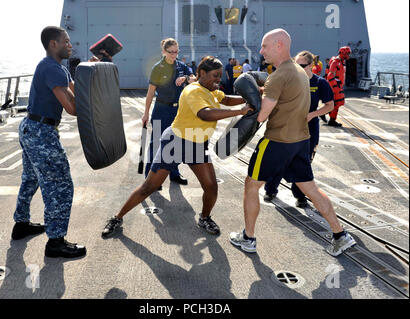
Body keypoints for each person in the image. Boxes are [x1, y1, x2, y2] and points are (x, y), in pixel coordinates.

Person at [229, 29, 356, 257]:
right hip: (301, 141)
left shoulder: (277, 76)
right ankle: (340, 235)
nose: (261, 51)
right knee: (311, 189)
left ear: (279, 45)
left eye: (265, 46)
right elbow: (285, 97)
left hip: (277, 141)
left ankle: (248, 238)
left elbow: (261, 116)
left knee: (251, 186)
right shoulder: (299, 71)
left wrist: (246, 108)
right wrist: (264, 91)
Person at [102, 56, 252, 238]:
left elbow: (226, 99)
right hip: (176, 141)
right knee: (149, 187)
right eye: (215, 75)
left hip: (197, 143)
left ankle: (204, 218)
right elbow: (205, 114)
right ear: (202, 73)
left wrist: (256, 93)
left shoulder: (211, 90)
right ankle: (117, 217)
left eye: (220, 76)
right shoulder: (193, 91)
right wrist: (240, 111)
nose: (218, 79)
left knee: (211, 186)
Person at [11, 26, 97, 258]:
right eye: (66, 41)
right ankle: (56, 241)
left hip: (31, 127)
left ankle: (21, 225)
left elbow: (73, 89)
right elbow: (73, 108)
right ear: (53, 44)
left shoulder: (57, 67)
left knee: (30, 179)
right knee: (60, 185)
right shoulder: (53, 69)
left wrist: (88, 71)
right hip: (41, 133)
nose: (71, 45)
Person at [264, 50, 334, 208]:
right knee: (280, 160)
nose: (298, 68)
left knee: (303, 163)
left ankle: (300, 195)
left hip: (309, 130)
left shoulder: (320, 83)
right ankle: (270, 189)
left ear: (311, 65)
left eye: (302, 65)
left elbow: (330, 105)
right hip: (287, 128)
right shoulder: (289, 80)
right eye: (296, 65)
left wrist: (313, 114)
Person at [142, 38, 196, 188]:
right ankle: (150, 178)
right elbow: (150, 92)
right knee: (156, 143)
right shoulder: (158, 68)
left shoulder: (182, 66)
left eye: (176, 51)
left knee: (175, 143)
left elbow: (194, 78)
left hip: (178, 111)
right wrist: (146, 113)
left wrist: (185, 78)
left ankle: (174, 174)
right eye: (171, 52)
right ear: (164, 52)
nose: (174, 55)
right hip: (161, 109)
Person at [327, 46, 351, 127]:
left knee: (337, 103)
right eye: (347, 53)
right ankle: (331, 120)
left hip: (338, 86)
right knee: (336, 104)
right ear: (343, 53)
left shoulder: (341, 62)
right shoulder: (335, 62)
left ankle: (327, 116)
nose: (348, 55)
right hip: (335, 86)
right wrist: (335, 87)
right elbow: (330, 75)